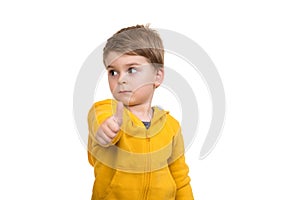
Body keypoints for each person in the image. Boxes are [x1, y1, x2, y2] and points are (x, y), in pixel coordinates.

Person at [87, 24, 194, 200]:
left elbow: (180, 178)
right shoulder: (106, 110)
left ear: (157, 76)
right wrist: (105, 131)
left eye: (132, 70)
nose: (121, 79)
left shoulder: (171, 127)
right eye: (113, 72)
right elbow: (99, 124)